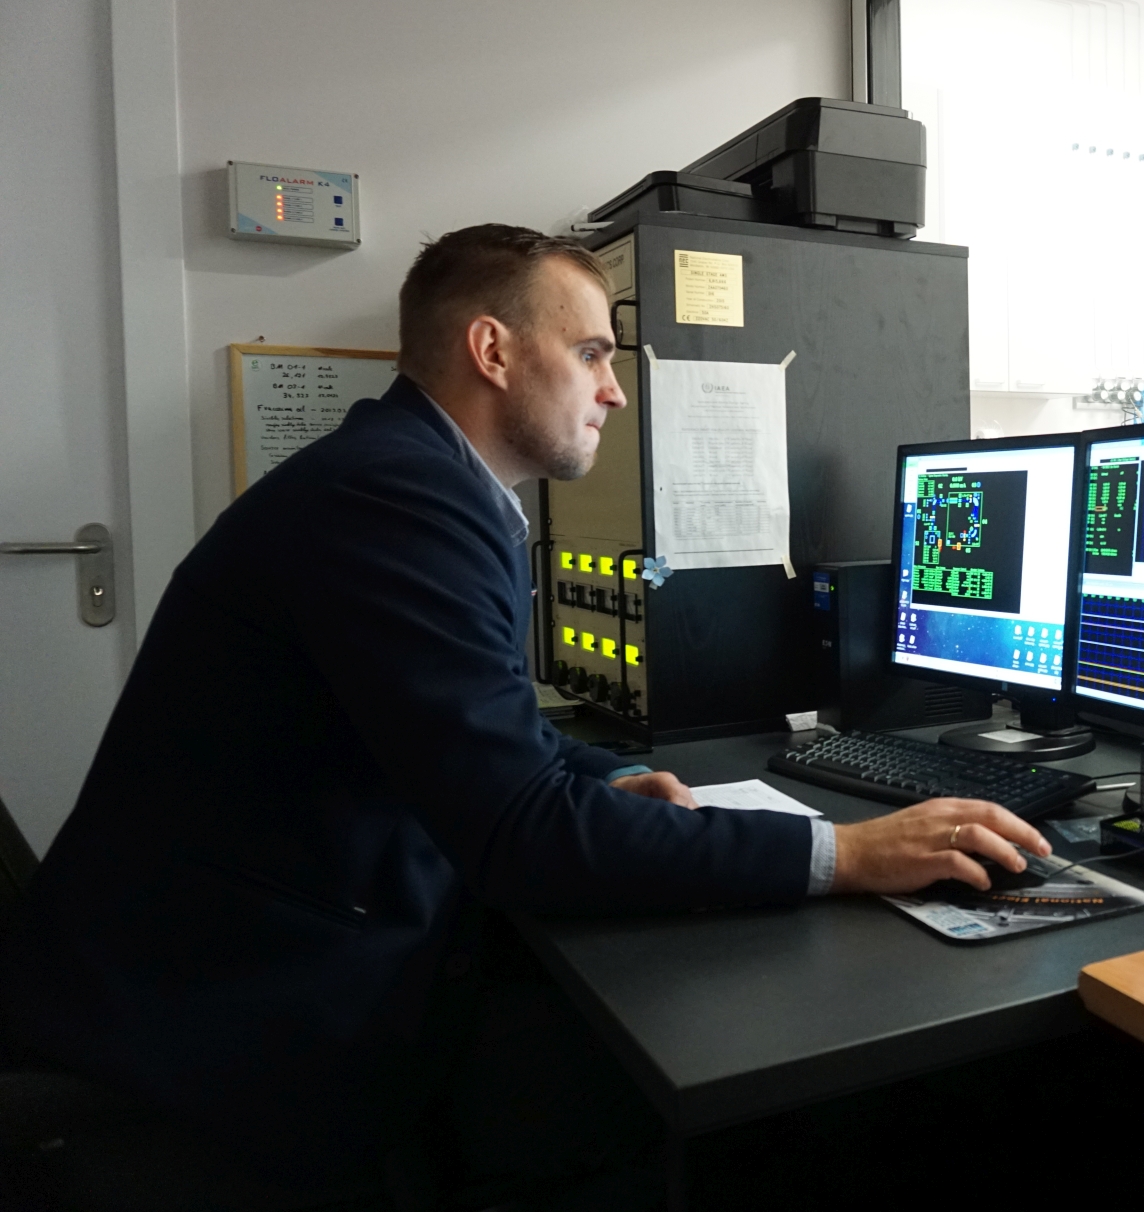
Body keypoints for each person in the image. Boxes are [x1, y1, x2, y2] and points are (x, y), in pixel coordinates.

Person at [1, 225, 1047, 1205]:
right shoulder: (398, 501)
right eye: (591, 353)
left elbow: (483, 734)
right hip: (213, 1021)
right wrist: (848, 852)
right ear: (493, 350)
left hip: (252, 957)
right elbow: (520, 831)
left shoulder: (415, 482)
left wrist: (600, 774)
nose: (615, 391)